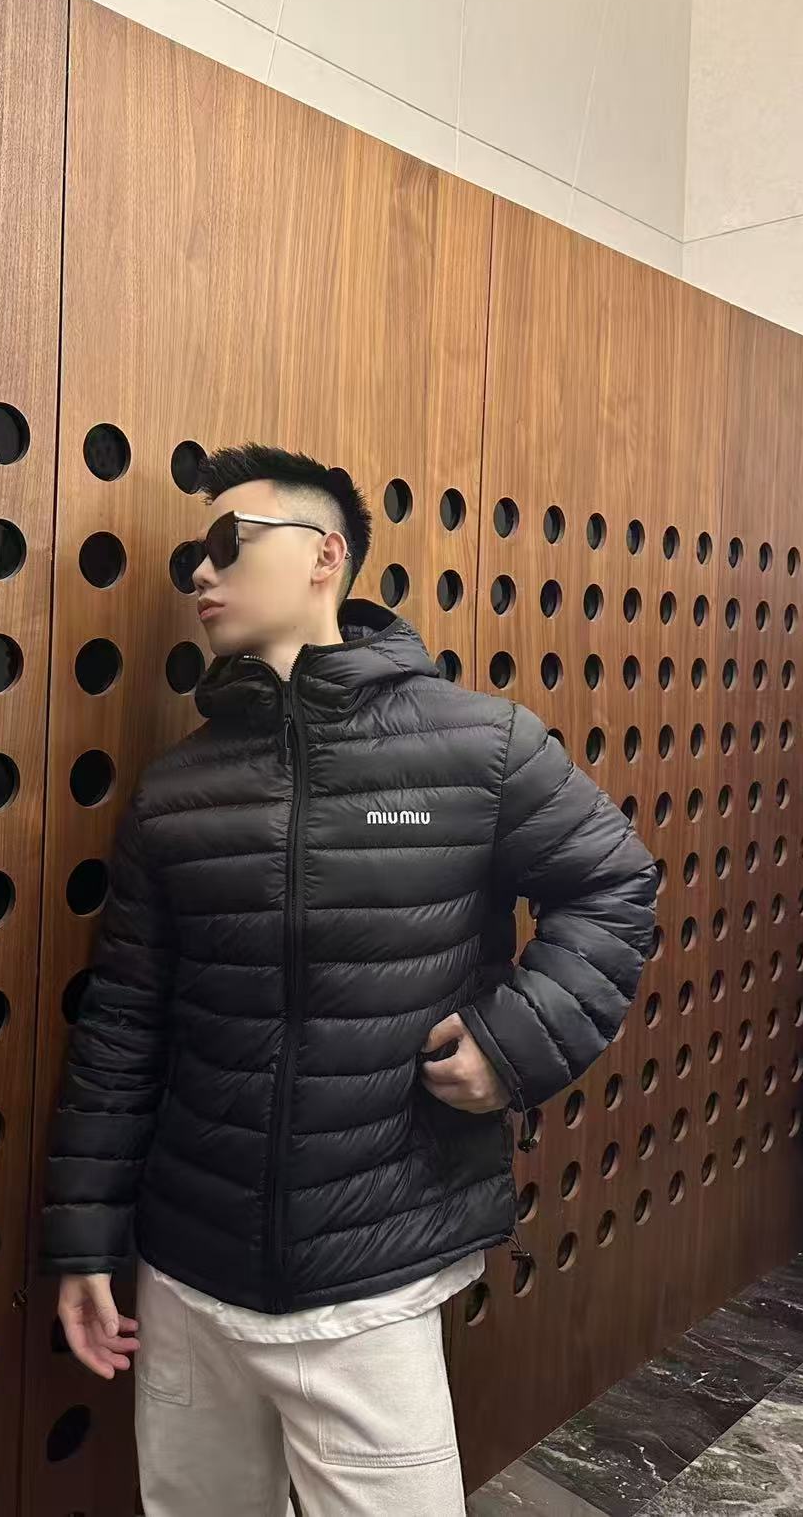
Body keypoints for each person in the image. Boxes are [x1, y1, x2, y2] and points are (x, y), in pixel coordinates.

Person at [38, 443, 658, 1516]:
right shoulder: (177, 788)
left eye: (228, 542)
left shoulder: (478, 745)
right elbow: (124, 1022)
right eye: (194, 555)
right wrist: (84, 1234)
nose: (201, 572)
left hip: (371, 1276)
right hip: (185, 1272)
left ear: (326, 555)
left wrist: (513, 1045)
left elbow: (613, 887)